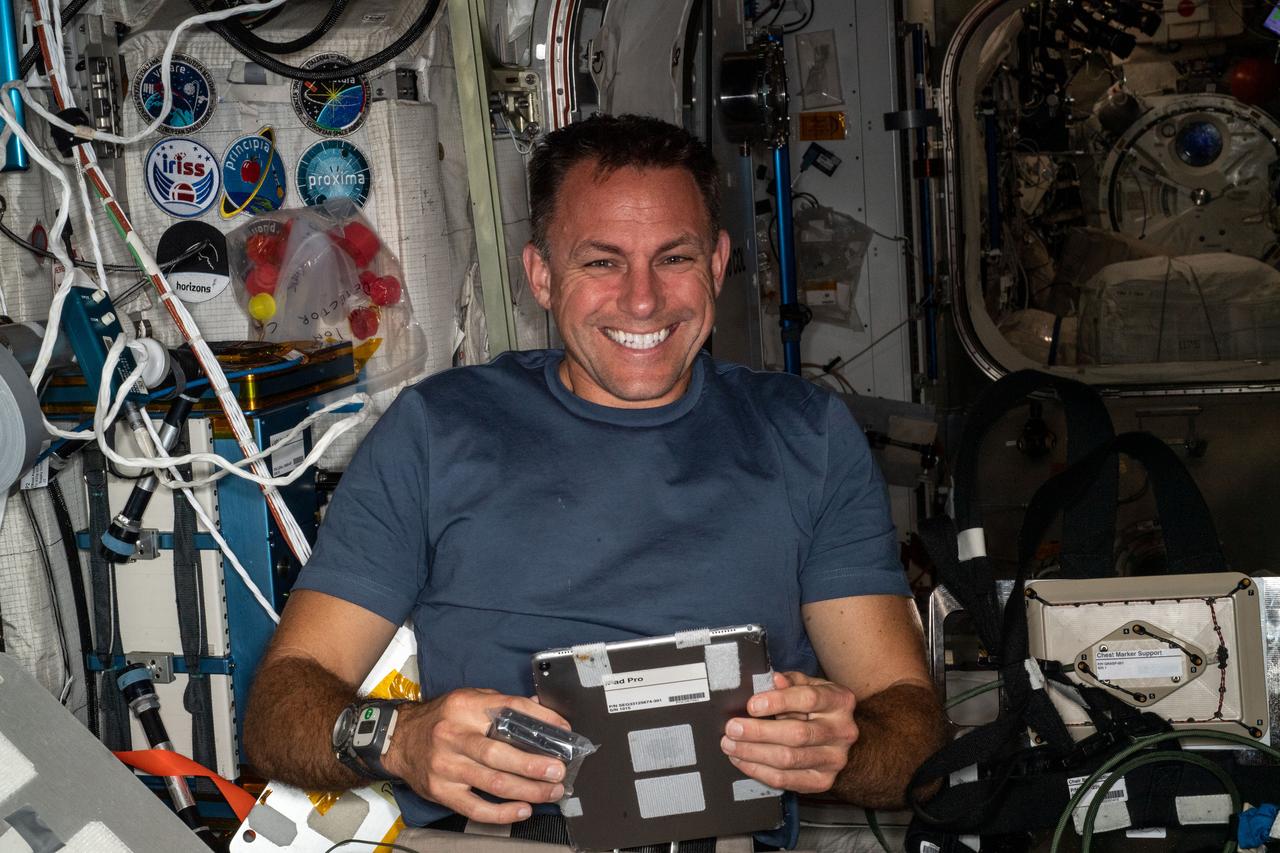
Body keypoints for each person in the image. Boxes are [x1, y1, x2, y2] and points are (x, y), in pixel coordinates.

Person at [243, 113, 944, 850]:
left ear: (716, 264)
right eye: (602, 263)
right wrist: (402, 738)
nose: (642, 301)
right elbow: (279, 708)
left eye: (674, 258)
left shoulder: (808, 436)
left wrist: (845, 747)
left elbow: (913, 729)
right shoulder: (436, 430)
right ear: (542, 274)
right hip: (493, 837)